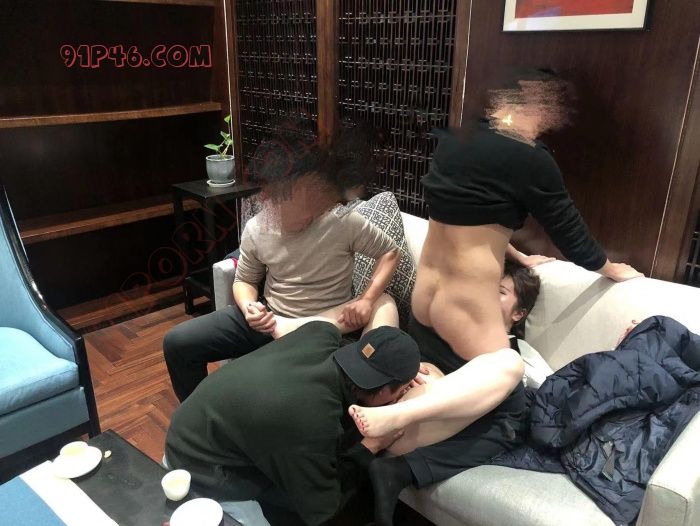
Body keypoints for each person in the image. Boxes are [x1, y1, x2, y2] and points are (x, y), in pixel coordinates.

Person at [346, 71, 644, 524]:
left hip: (427, 297)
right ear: (538, 105)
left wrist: (517, 254)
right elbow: (572, 235)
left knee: (443, 379)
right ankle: (399, 470)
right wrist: (611, 269)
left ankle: (375, 444)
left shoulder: (456, 142)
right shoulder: (531, 158)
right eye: (551, 110)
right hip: (465, 306)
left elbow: (469, 213)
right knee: (513, 416)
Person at [163, 125, 400, 402]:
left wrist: (367, 299)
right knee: (179, 342)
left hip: (324, 326)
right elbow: (245, 279)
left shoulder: (342, 221)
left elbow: (390, 252)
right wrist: (249, 307)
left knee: (264, 388)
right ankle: (196, 414)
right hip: (269, 321)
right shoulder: (257, 228)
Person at [164, 320, 421, 526]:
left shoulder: (320, 332)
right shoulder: (311, 422)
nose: (402, 394)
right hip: (199, 470)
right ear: (382, 390)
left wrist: (392, 369)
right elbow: (322, 509)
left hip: (194, 423)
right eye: (401, 390)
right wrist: (372, 446)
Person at [367, 262, 544, 525]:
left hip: (417, 418)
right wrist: (406, 363)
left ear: (519, 313)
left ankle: (396, 465)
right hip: (390, 388)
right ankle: (395, 465)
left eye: (499, 292)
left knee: (511, 382)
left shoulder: (514, 355)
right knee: (384, 302)